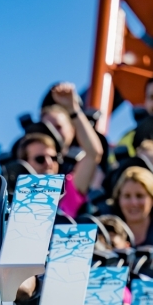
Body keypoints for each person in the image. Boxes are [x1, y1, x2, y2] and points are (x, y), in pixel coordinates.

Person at [15, 84, 104, 218]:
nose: (48, 163)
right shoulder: (16, 186)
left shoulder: (70, 185)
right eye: (40, 158)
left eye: (54, 158)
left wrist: (73, 109)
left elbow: (94, 153)